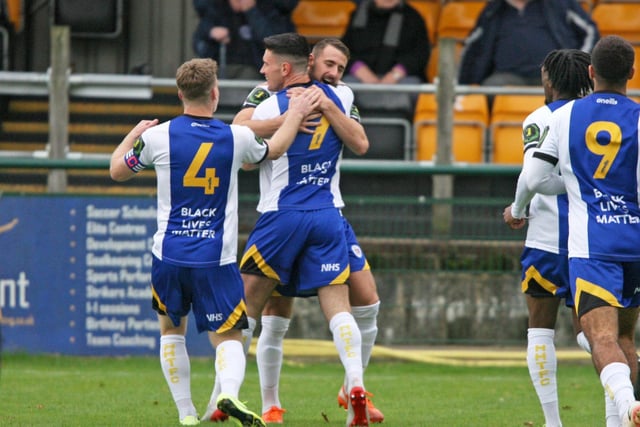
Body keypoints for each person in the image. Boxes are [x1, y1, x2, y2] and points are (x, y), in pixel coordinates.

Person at [109, 57, 322, 426]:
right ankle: (228, 393)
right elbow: (275, 149)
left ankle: (186, 414)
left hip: (169, 255)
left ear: (180, 94)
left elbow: (117, 171)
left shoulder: (157, 138)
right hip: (216, 258)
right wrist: (295, 114)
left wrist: (133, 134)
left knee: (171, 332)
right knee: (229, 337)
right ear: (215, 93)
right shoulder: (236, 138)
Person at [228, 38, 383, 424]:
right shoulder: (267, 92)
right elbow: (241, 128)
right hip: (322, 216)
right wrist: (291, 118)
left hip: (287, 217)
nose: (333, 73)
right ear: (309, 61)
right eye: (329, 64)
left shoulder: (340, 96)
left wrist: (323, 106)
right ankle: (274, 402)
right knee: (295, 311)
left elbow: (241, 149)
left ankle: (350, 389)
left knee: (364, 301)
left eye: (341, 68)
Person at [523, 35, 640, 427]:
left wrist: (578, 187)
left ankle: (627, 407)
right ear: (632, 73)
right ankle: (619, 420)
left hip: (592, 246)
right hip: (635, 243)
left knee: (601, 338)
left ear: (593, 72)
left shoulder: (563, 116)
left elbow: (535, 176)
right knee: (626, 340)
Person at [503, 48, 593, 427]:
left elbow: (532, 176)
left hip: (544, 242)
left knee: (540, 330)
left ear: (548, 79)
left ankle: (553, 422)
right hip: (591, 241)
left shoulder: (539, 118)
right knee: (593, 333)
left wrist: (517, 210)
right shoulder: (596, 117)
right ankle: (622, 404)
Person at [458, 0, 599, 87]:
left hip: (554, 76)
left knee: (568, 94)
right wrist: (461, 85)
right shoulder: (492, 11)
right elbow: (472, 48)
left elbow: (590, 32)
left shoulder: (560, 4)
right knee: (489, 89)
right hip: (505, 78)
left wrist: (575, 66)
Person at [341, 0, 430, 116]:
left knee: (414, 90)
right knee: (343, 89)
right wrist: (358, 68)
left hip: (402, 79)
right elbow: (344, 50)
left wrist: (396, 73)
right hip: (361, 78)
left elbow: (420, 54)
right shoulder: (358, 15)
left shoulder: (413, 17)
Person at [192, 0, 298, 79]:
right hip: (219, 67)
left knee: (247, 75)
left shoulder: (268, 9)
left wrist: (251, 12)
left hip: (255, 69)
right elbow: (197, 44)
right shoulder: (217, 10)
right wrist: (211, 32)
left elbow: (274, 41)